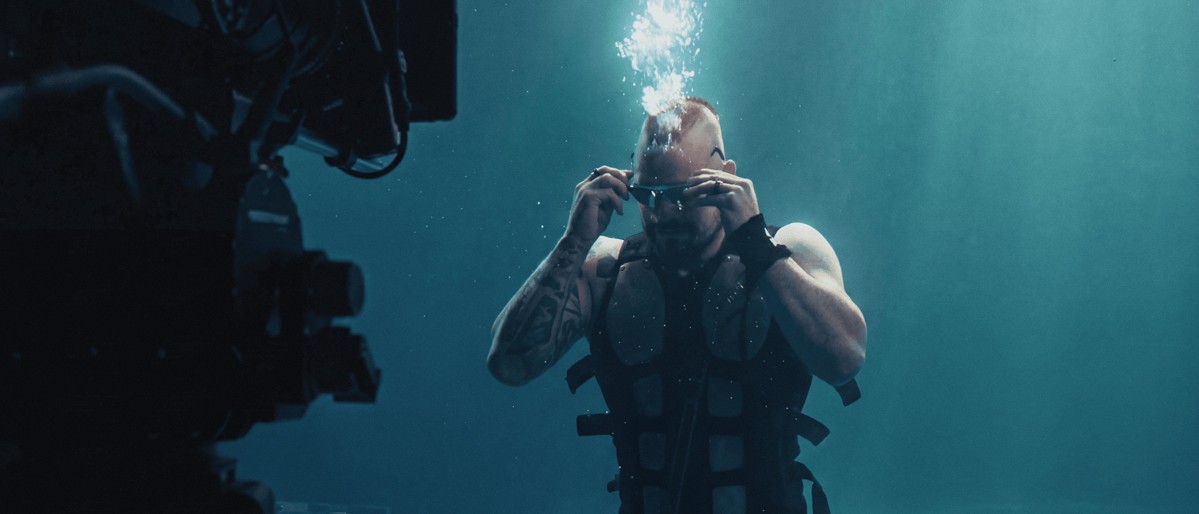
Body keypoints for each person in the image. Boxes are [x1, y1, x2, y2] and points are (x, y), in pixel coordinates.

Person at [488, 97, 867, 514]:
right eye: (647, 194)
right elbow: (509, 365)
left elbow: (845, 360)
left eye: (683, 194)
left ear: (725, 178)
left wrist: (755, 244)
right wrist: (573, 241)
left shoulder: (789, 249)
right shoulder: (603, 269)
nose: (662, 213)